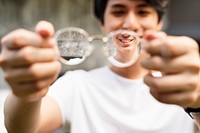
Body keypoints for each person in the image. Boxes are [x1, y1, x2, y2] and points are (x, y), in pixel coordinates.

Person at [0, 0, 200, 133]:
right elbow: (21, 128)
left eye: (143, 12)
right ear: (103, 23)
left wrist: (197, 101)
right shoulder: (78, 86)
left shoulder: (183, 86)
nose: (130, 23)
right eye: (119, 11)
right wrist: (25, 93)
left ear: (158, 23)